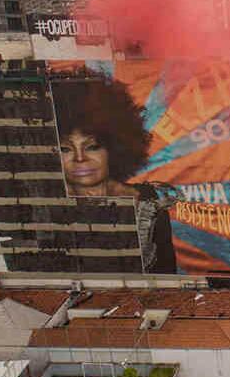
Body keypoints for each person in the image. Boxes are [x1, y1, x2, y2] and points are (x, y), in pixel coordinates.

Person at [51, 78, 177, 273]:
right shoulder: (48, 209)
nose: (80, 158)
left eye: (92, 146)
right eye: (65, 149)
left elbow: (167, 277)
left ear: (114, 147)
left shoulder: (148, 203)